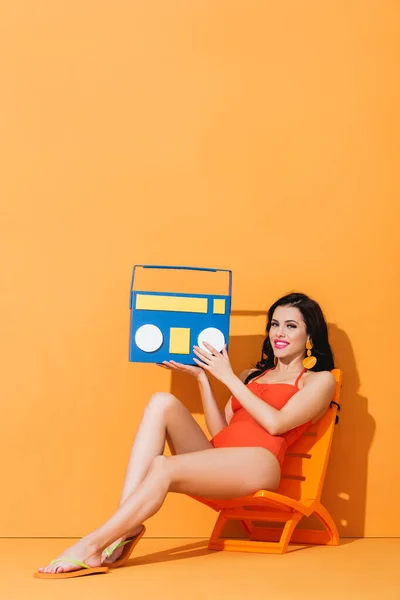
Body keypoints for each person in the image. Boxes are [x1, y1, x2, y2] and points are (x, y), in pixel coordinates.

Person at [36, 292, 336, 578]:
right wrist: (203, 379)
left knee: (163, 466)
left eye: (291, 325)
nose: (279, 333)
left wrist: (228, 377)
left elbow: (277, 424)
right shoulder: (250, 376)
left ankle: (91, 545)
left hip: (261, 463)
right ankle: (123, 527)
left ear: (309, 336)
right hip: (225, 460)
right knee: (161, 402)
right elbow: (221, 434)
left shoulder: (319, 381)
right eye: (274, 324)